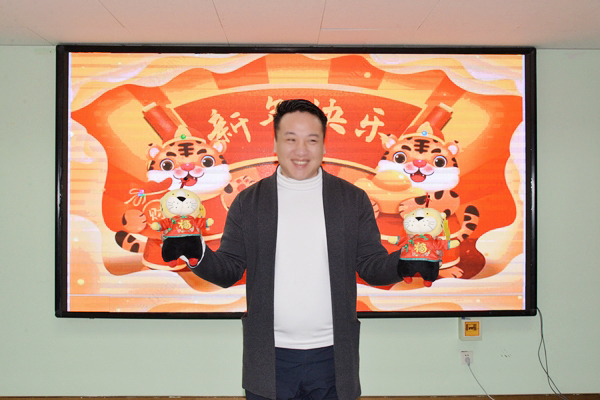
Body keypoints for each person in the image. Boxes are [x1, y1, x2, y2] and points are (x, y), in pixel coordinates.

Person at [190, 99, 405, 400]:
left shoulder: (352, 199)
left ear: (324, 145)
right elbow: (228, 270)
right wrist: (195, 251)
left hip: (334, 356)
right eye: (291, 139)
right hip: (269, 358)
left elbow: (372, 266)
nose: (301, 151)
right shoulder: (249, 202)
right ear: (275, 144)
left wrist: (408, 261)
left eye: (311, 140)